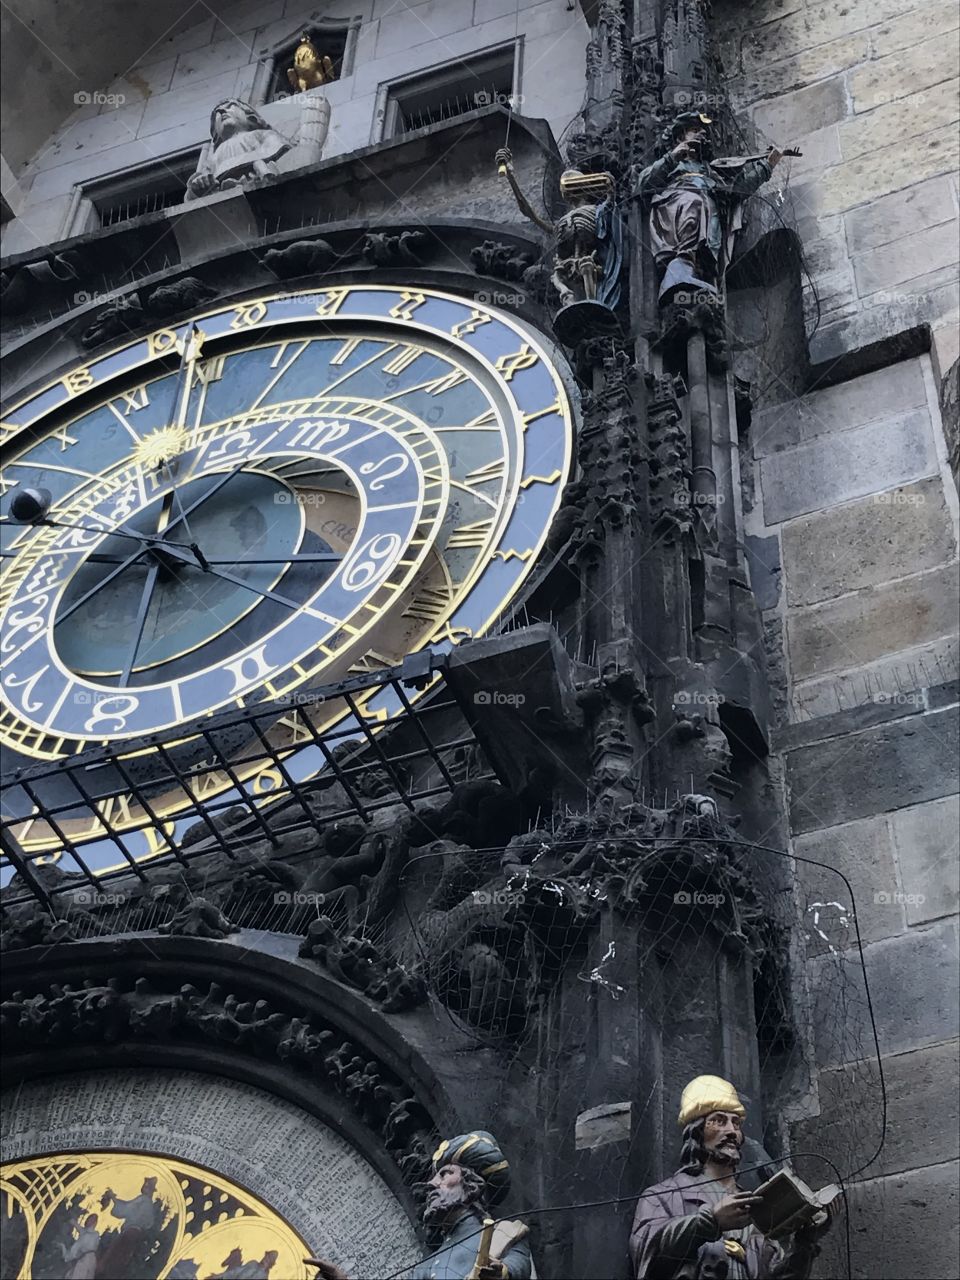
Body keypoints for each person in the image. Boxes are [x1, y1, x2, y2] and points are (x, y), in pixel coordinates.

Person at [629, 1076, 829, 1279]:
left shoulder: (754, 1206)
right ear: (697, 1131)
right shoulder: (664, 1196)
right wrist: (710, 1222)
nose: (731, 1131)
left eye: (735, 1123)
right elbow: (646, 1249)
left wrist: (805, 1243)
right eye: (718, 1121)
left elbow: (773, 1275)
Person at [634, 114, 784, 304]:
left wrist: (767, 165)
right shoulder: (672, 163)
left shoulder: (711, 170)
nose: (702, 134)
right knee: (694, 202)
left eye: (703, 132)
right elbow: (642, 185)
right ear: (680, 137)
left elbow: (737, 192)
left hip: (708, 207)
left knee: (705, 208)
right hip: (677, 203)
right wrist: (671, 158)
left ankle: (698, 269)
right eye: (695, 130)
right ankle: (681, 265)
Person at [410, 1131, 532, 1280]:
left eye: (445, 1174)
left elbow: (519, 1264)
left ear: (472, 1184)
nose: (432, 1184)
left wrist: (502, 1272)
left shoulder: (504, 1234)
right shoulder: (425, 1268)